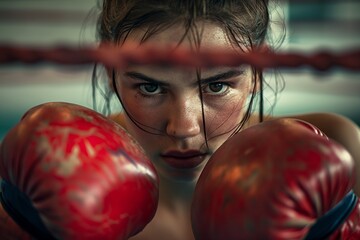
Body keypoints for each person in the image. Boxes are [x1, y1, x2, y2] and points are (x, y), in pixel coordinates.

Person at [91, 0, 360, 239]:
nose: (184, 129)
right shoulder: (65, 165)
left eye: (217, 86)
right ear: (109, 72)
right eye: (150, 88)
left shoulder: (336, 143)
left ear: (257, 70)